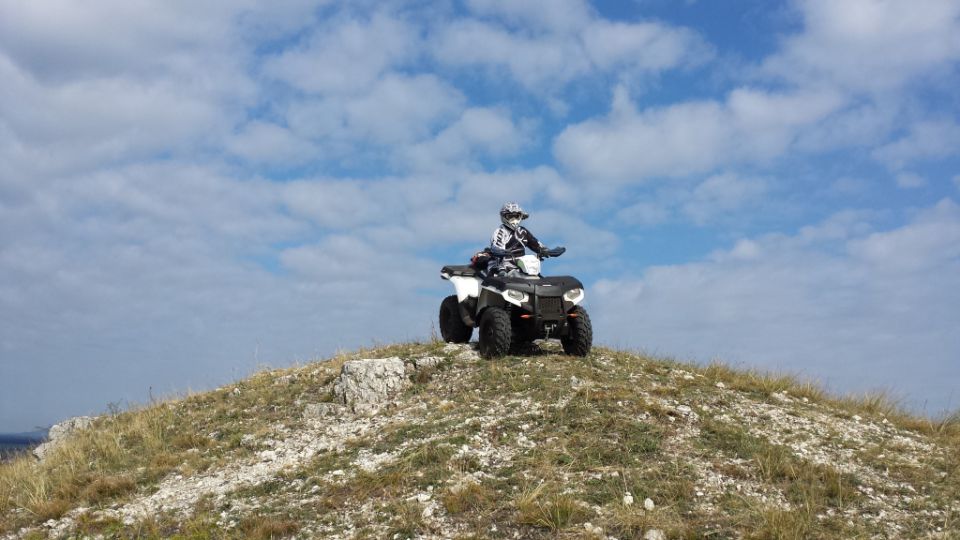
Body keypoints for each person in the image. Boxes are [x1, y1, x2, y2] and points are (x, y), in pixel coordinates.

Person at [486, 202, 551, 276]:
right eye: (510, 216)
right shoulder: (501, 231)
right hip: (502, 266)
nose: (514, 219)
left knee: (538, 277)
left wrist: (546, 250)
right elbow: (497, 246)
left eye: (516, 216)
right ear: (504, 217)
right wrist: (499, 251)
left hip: (521, 265)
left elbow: (535, 243)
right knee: (503, 274)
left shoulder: (523, 231)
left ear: (520, 216)